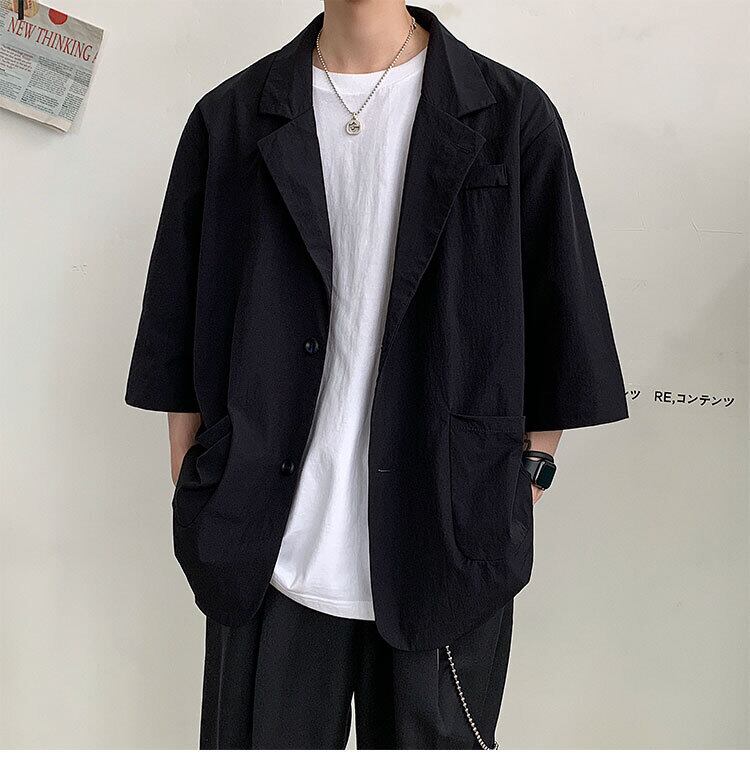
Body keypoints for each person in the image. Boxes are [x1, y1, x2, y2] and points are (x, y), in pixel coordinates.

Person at [126, 1, 628, 750]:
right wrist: (201, 472)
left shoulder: (512, 116)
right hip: (269, 544)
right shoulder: (229, 120)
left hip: (447, 538)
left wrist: (528, 470)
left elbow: (563, 321)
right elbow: (178, 317)